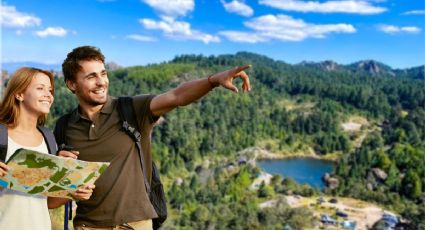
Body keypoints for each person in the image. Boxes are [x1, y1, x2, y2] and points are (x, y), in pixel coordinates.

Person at [57, 46, 251, 230]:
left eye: (103, 73)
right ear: (72, 84)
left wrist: (213, 81)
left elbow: (177, 96)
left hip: (135, 224)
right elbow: (55, 188)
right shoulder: (64, 127)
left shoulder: (131, 109)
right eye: (92, 76)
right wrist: (69, 188)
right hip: (87, 226)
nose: (101, 82)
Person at [0, 67, 95, 229]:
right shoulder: (2, 135)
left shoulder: (48, 139)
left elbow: (48, 201)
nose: (48, 95)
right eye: (40, 88)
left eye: (50, 90)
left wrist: (73, 191)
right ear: (19, 94)